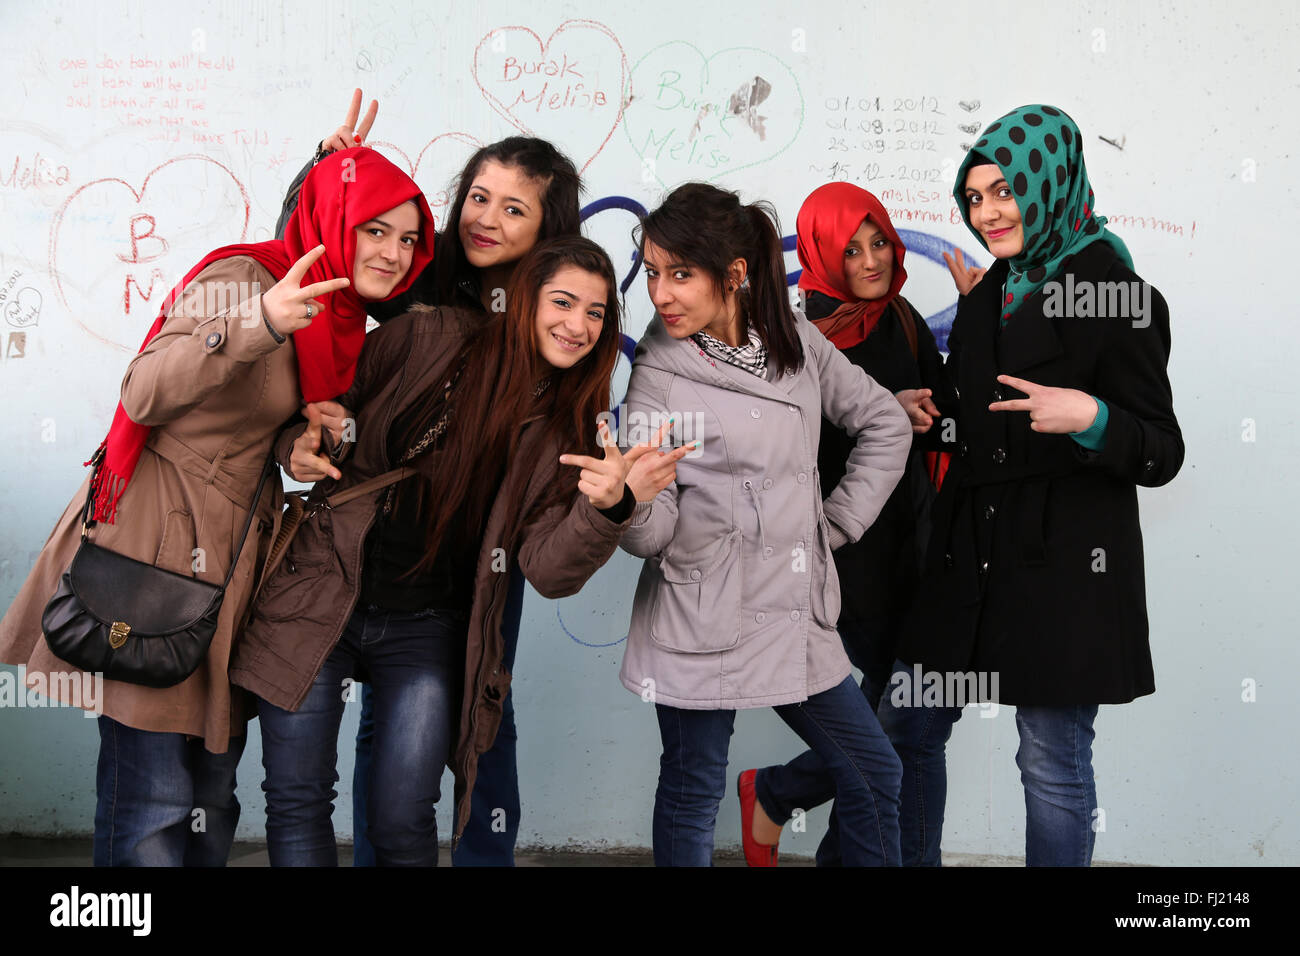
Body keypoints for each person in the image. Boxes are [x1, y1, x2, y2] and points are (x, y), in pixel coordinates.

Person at [0, 147, 434, 866]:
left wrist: (291, 446)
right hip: (155, 555)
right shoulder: (246, 278)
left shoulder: (337, 320)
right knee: (155, 797)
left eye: (409, 238)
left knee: (210, 794)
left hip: (233, 567)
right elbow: (145, 391)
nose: (393, 252)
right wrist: (258, 320)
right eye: (374, 229)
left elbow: (243, 420)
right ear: (334, 220)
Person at [231, 236, 685, 866]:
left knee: (401, 817)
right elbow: (324, 410)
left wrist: (611, 507)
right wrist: (295, 447)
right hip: (322, 592)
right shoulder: (428, 336)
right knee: (297, 800)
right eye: (562, 301)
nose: (576, 325)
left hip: (428, 626)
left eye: (596, 313)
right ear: (525, 299)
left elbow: (547, 571)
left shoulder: (572, 426)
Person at [276, 91, 583, 865]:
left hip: (482, 556)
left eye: (515, 210)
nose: (487, 218)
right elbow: (317, 261)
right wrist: (324, 172)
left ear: (548, 229)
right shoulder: (424, 274)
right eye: (479, 197)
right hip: (380, 552)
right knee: (382, 728)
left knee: (484, 716)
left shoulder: (554, 317)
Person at [880, 104, 1184, 866]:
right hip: (968, 557)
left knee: (1049, 758)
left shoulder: (1118, 294)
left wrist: (1091, 416)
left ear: (1049, 181)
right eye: (975, 196)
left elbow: (1161, 450)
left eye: (1005, 190)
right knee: (906, 722)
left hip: (1064, 569)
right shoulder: (993, 292)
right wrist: (931, 411)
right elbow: (976, 413)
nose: (988, 212)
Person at [617, 182, 914, 866]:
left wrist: (834, 525)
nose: (660, 294)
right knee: (694, 789)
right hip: (700, 614)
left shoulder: (798, 342)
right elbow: (653, 533)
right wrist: (624, 503)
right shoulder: (659, 374)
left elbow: (884, 423)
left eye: (681, 274)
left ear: (736, 275)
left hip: (794, 609)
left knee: (876, 771)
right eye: (654, 273)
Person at [738, 182, 958, 865]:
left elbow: (947, 422)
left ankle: (782, 797)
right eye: (852, 247)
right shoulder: (793, 330)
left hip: (914, 544)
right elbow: (785, 443)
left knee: (922, 709)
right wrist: (880, 410)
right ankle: (784, 800)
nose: (871, 260)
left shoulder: (902, 319)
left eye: (880, 243)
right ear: (820, 252)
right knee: (912, 715)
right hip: (844, 548)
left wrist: (922, 419)